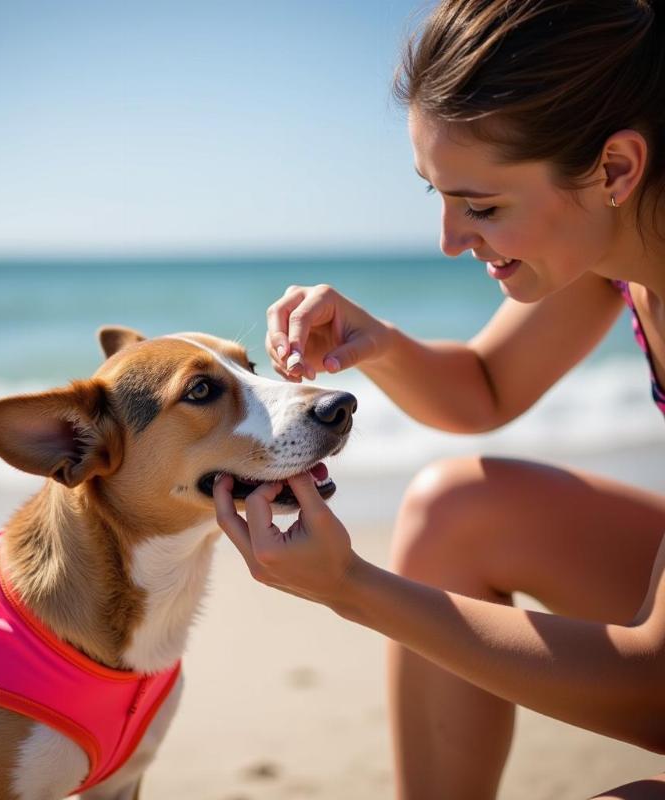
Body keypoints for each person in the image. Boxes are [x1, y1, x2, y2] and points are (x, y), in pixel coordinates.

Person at [212, 1, 665, 798]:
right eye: (437, 195)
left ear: (616, 169)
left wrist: (351, 588)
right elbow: (487, 389)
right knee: (453, 509)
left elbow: (656, 694)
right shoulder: (618, 241)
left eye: (483, 206)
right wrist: (377, 340)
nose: (451, 240)